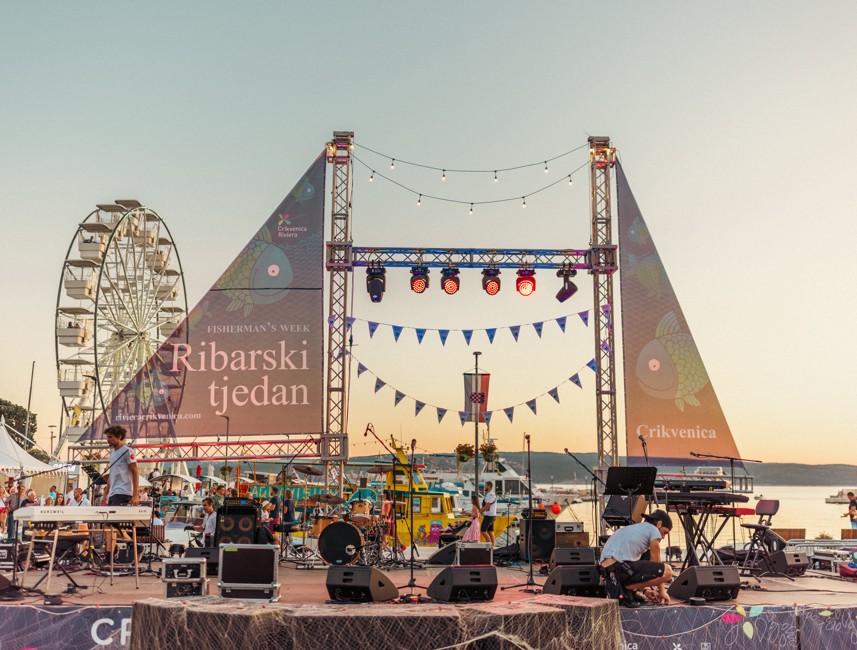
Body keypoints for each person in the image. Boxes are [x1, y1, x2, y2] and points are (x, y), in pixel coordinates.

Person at [599, 509, 674, 608]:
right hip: (618, 568)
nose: (663, 537)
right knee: (667, 571)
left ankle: (627, 590)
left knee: (646, 556)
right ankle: (625, 590)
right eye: (665, 532)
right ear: (659, 524)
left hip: (607, 571)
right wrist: (662, 591)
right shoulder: (654, 530)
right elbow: (656, 562)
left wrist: (644, 591)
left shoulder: (634, 528)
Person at [101, 425, 140, 506]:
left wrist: (135, 494)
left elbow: (135, 472)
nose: (108, 440)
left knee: (117, 518)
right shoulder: (112, 452)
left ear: (119, 436)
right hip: (113, 493)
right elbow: (111, 475)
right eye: (107, 437)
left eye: (110, 437)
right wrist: (105, 494)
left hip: (123, 492)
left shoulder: (127, 451)